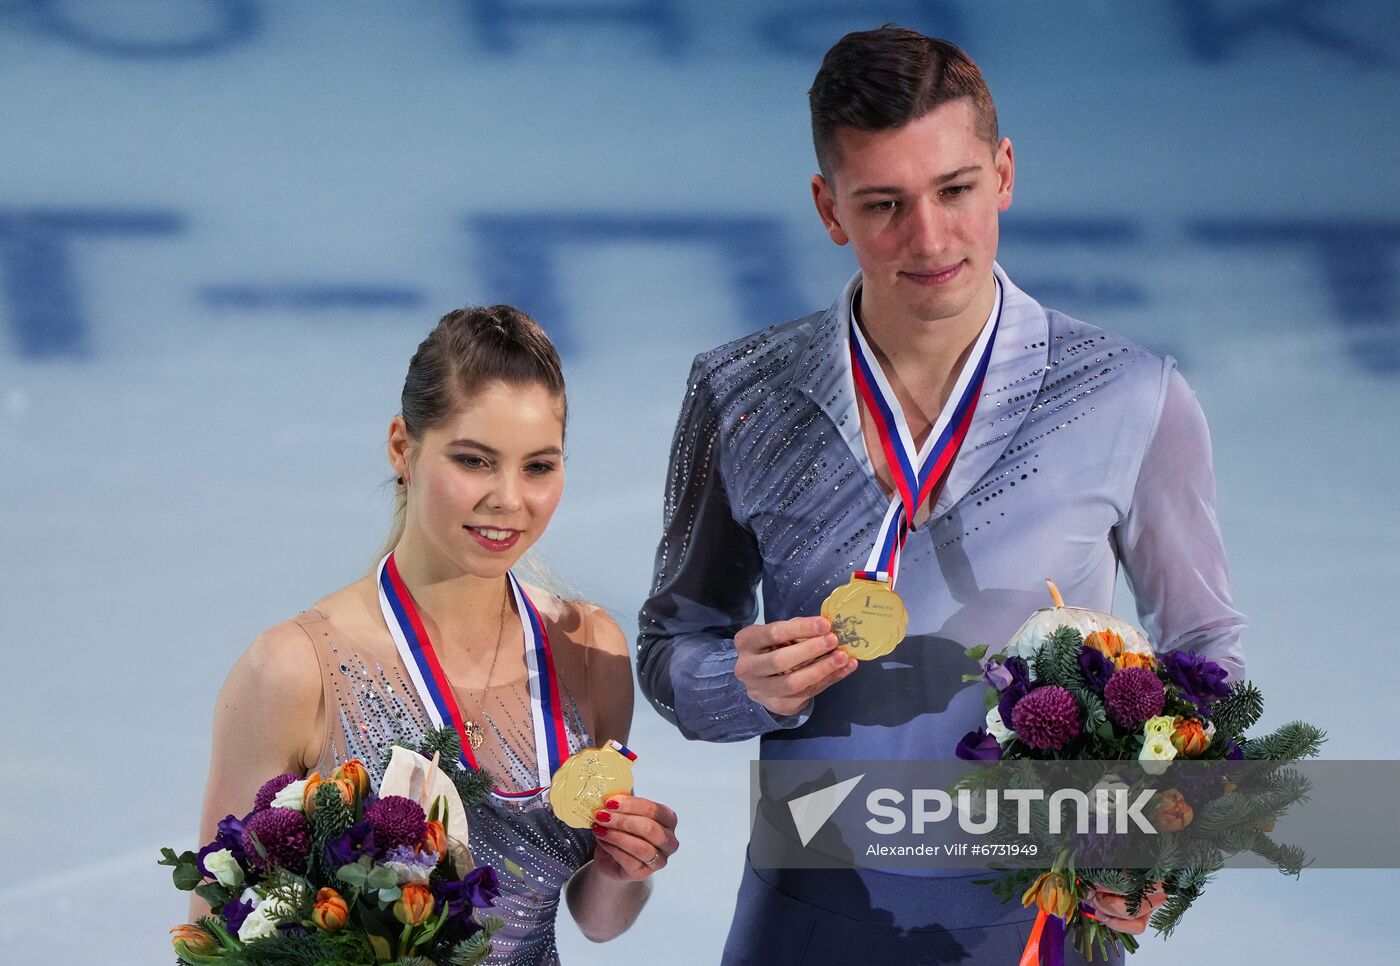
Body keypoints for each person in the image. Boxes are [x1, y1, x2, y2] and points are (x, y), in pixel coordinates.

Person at [637, 26, 1244, 965]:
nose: (929, 239)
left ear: (1003, 173)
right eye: (883, 204)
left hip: (1040, 917)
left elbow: (1206, 652)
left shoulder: (1132, 395)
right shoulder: (740, 391)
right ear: (828, 207)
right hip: (807, 902)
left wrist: (1166, 836)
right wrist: (738, 687)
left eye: (955, 190)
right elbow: (672, 644)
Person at [196, 305, 679, 965]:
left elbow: (594, 919)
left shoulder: (590, 651)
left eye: (538, 466)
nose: (510, 499)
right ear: (403, 447)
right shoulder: (296, 669)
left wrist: (626, 871)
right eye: (475, 461)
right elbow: (212, 938)